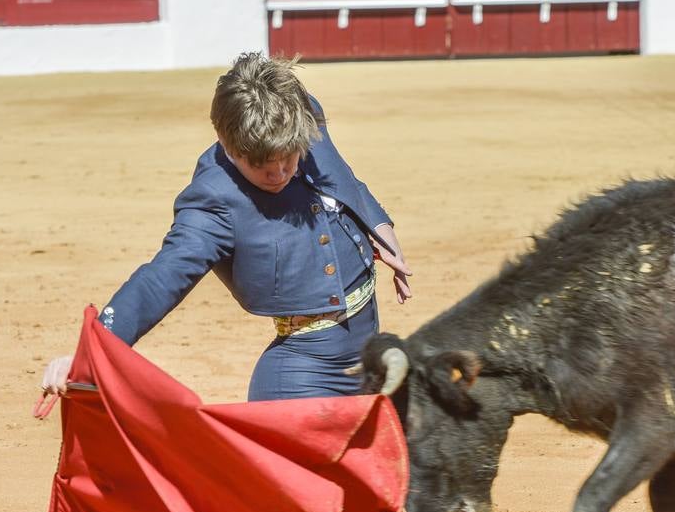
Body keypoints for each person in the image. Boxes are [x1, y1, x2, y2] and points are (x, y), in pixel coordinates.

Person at [39, 52, 413, 403]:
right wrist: (91, 354)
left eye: (290, 157)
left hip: (369, 352)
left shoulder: (299, 115)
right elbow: (162, 278)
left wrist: (379, 225)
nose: (281, 172)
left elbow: (338, 173)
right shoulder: (214, 200)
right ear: (228, 146)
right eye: (263, 165)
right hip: (302, 377)